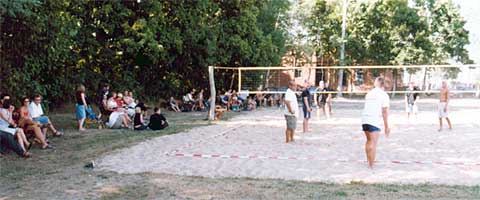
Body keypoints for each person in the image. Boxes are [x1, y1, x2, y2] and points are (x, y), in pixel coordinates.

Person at [361, 77, 390, 168]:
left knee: (369, 141)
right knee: (373, 143)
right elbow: (384, 111)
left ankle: (369, 161)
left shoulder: (369, 93)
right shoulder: (384, 95)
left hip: (365, 119)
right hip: (374, 120)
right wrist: (386, 126)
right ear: (383, 85)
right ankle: (371, 164)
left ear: (376, 84)